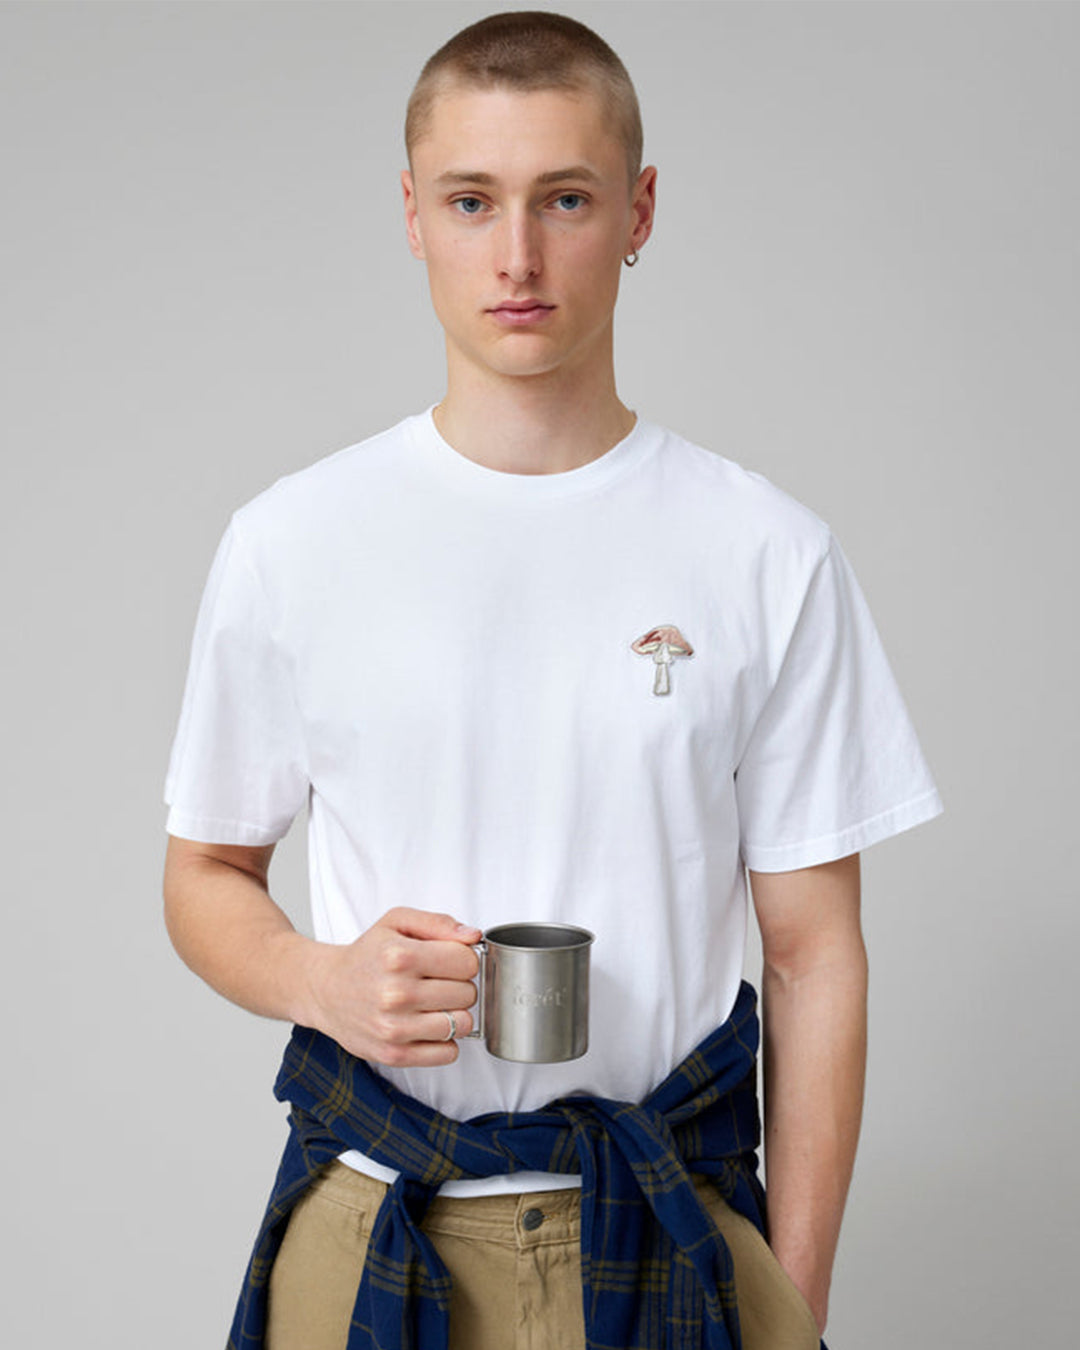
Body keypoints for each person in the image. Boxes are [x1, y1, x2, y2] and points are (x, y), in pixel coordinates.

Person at [162, 11, 943, 1350]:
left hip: (671, 1222)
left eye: (565, 200)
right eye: (472, 201)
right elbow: (204, 874)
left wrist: (792, 1298)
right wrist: (318, 980)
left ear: (639, 212)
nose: (516, 255)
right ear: (413, 216)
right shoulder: (293, 542)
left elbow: (815, 955)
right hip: (376, 1218)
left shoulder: (766, 552)